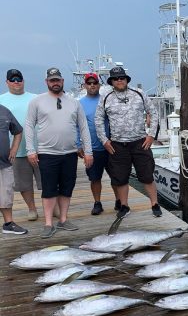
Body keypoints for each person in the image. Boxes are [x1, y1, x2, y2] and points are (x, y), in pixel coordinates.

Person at [24, 67, 93, 239]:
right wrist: (31, 150)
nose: (55, 83)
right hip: (47, 153)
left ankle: (63, 219)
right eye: (52, 80)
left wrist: (89, 152)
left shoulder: (74, 102)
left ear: (62, 81)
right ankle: (48, 223)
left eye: (58, 80)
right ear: (47, 82)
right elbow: (29, 125)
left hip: (70, 154)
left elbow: (83, 127)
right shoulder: (37, 101)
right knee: (49, 189)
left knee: (66, 188)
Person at [95, 66, 162, 219]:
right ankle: (124, 206)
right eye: (116, 78)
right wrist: (104, 140)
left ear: (126, 79)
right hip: (118, 145)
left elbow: (154, 112)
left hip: (140, 142)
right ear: (111, 81)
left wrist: (151, 135)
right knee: (120, 177)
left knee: (147, 175)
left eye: (122, 78)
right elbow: (98, 119)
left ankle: (154, 204)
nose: (119, 80)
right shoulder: (106, 97)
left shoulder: (139, 94)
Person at [0, 69, 40, 221]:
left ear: (23, 81)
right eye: (12, 79)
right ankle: (32, 209)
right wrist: (13, 149)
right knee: (24, 184)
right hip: (14, 151)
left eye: (19, 79)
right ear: (7, 82)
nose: (16, 82)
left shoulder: (36, 98)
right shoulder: (1, 100)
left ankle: (53, 208)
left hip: (39, 148)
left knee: (47, 181)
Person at [77, 72, 118, 215]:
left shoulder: (106, 100)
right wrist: (78, 144)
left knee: (116, 176)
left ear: (99, 85)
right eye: (89, 83)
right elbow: (76, 125)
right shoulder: (80, 103)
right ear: (85, 85)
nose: (92, 85)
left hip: (111, 146)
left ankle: (119, 201)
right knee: (95, 178)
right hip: (92, 148)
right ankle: (97, 203)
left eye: (94, 83)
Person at [0, 103, 27, 235]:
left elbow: (18, 131)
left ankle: (8, 224)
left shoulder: (5, 111)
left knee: (6, 194)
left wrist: (14, 148)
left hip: (4, 163)